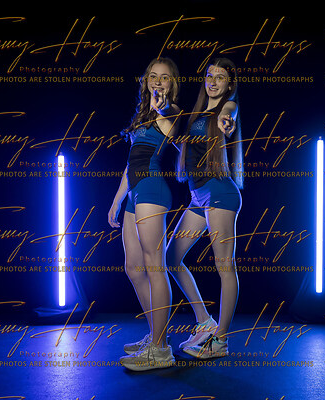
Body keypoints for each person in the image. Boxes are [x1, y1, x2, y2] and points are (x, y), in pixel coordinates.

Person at [167, 57, 244, 359]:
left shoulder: (226, 107)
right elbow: (189, 152)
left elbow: (229, 114)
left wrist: (226, 120)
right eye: (210, 75)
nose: (212, 82)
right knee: (171, 257)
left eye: (220, 77)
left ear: (229, 84)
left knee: (225, 266)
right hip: (199, 196)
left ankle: (220, 340)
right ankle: (204, 322)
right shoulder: (198, 113)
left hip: (220, 193)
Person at [108, 57, 181, 371]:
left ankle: (161, 349)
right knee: (134, 268)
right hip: (134, 194)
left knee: (154, 267)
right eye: (153, 76)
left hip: (152, 190)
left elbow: (169, 118)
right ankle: (155, 335)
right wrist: (116, 201)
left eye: (164, 77)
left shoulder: (171, 110)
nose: (158, 81)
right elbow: (131, 162)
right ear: (146, 80)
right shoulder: (143, 115)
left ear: (171, 83)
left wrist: (161, 106)